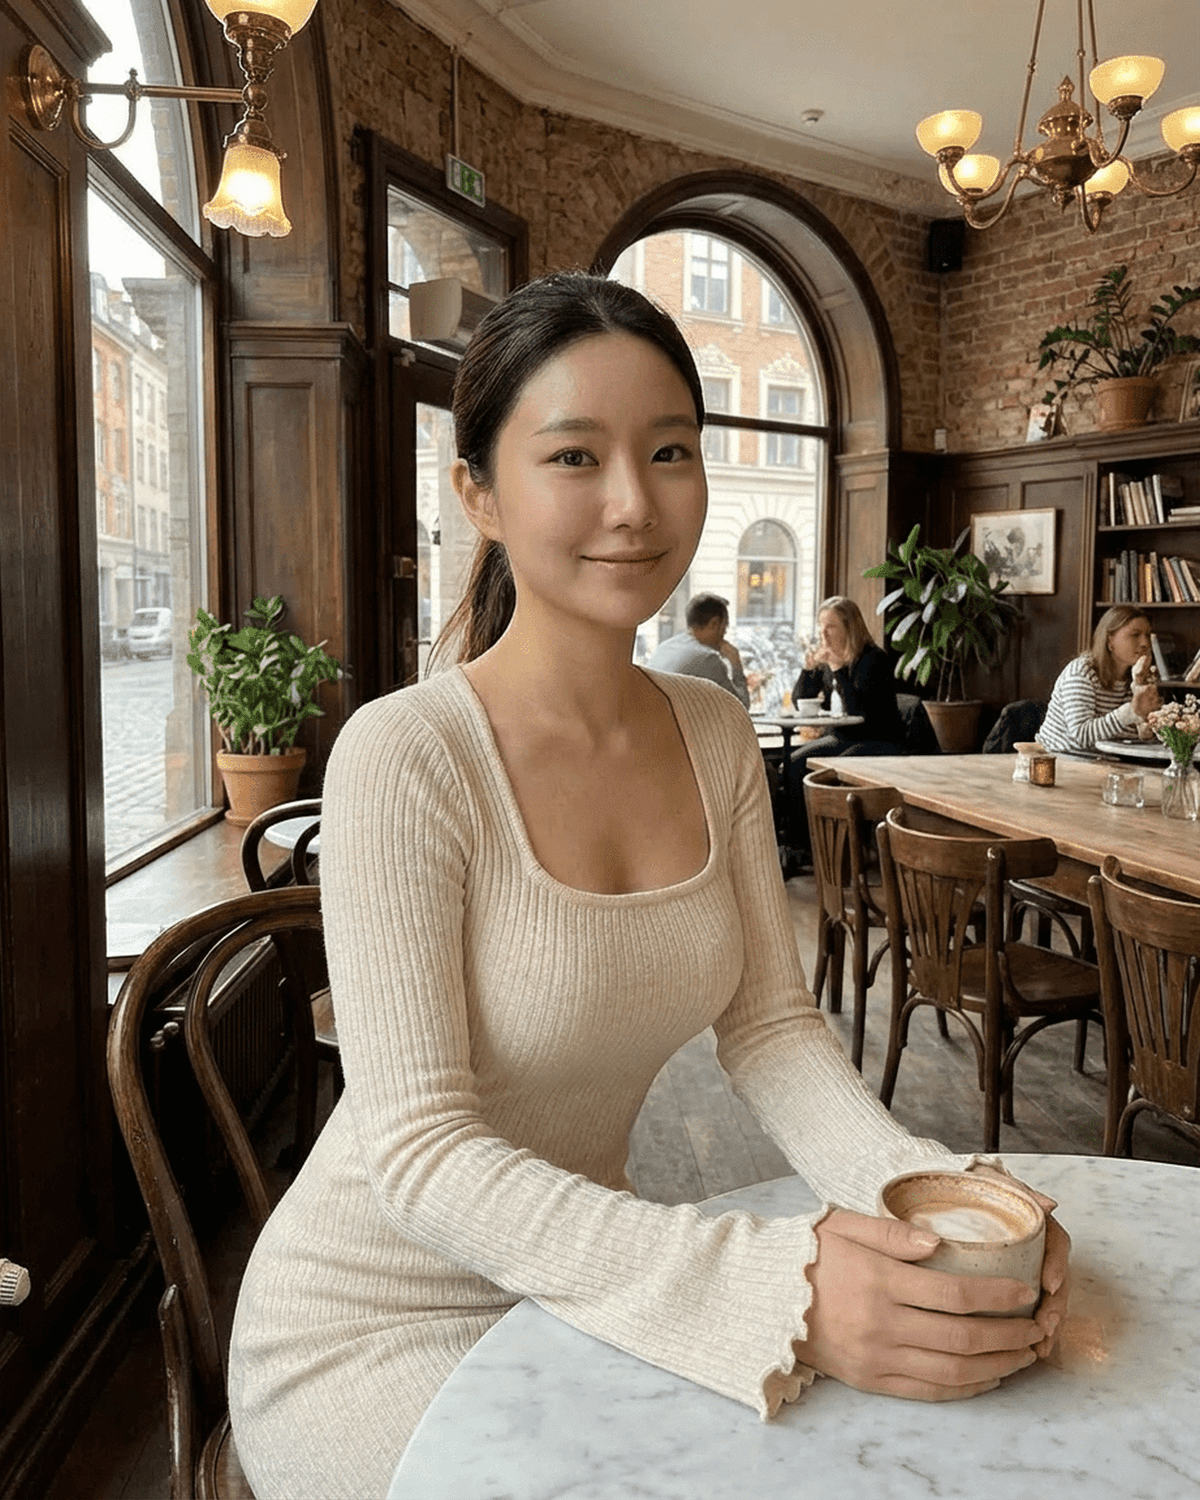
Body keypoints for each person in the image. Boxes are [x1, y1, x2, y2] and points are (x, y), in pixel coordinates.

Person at [227, 272, 1067, 1500]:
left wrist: (927, 1206)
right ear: (481, 494)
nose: (633, 503)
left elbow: (773, 1030)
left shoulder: (711, 730)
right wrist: (772, 1283)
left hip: (588, 1281)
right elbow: (415, 1152)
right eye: (574, 455)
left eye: (670, 450)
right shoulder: (407, 754)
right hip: (376, 1318)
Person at [784, 596, 906, 862]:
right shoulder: (829, 663)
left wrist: (838, 669)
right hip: (842, 737)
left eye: (830, 627)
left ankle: (843, 850)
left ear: (849, 628)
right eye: (820, 627)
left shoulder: (872, 660)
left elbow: (860, 712)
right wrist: (809, 670)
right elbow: (799, 701)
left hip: (878, 738)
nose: (823, 634)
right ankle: (805, 845)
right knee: (794, 762)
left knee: (833, 769)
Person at [1038, 604, 1161, 755]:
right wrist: (1131, 712)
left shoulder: (1136, 675)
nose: (1145, 643)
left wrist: (1139, 688)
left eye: (1147, 635)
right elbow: (1081, 735)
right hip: (1060, 759)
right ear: (1110, 639)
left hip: (1106, 761)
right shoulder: (1082, 672)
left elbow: (1133, 737)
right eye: (1135, 635)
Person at [648, 591, 750, 706]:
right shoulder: (708, 659)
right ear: (714, 624)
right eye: (724, 628)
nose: (724, 635)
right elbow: (740, 707)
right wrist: (736, 665)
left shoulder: (663, 647)